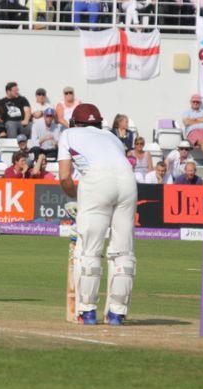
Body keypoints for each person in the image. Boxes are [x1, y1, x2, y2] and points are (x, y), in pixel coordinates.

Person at [58, 103, 137, 326]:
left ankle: (87, 311)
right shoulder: (112, 137)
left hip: (96, 181)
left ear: (75, 122)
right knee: (123, 251)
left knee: (89, 250)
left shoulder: (68, 134)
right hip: (128, 181)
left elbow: (64, 177)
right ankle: (117, 313)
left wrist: (76, 197)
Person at [182, 94, 203, 163]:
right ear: (191, 102)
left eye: (197, 102)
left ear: (200, 103)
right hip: (194, 131)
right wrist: (201, 119)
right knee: (201, 140)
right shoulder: (186, 112)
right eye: (194, 101)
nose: (195, 103)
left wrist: (194, 120)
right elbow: (186, 122)